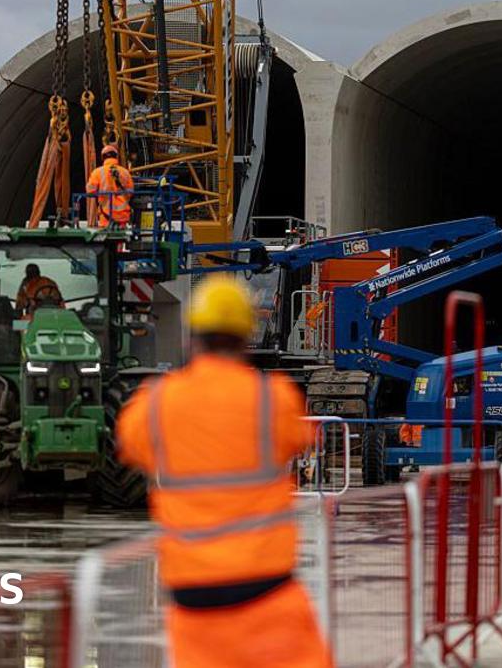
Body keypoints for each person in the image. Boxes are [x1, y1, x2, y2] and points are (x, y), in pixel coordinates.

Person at [116, 275, 331, 668]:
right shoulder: (273, 398)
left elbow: (131, 445)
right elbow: (301, 438)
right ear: (245, 337)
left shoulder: (156, 404)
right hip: (267, 595)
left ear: (191, 337)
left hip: (194, 603)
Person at [86, 144, 135, 228]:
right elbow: (130, 193)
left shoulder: (97, 172)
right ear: (116, 157)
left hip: (106, 219)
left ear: (103, 158)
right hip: (123, 218)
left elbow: (89, 191)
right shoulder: (125, 172)